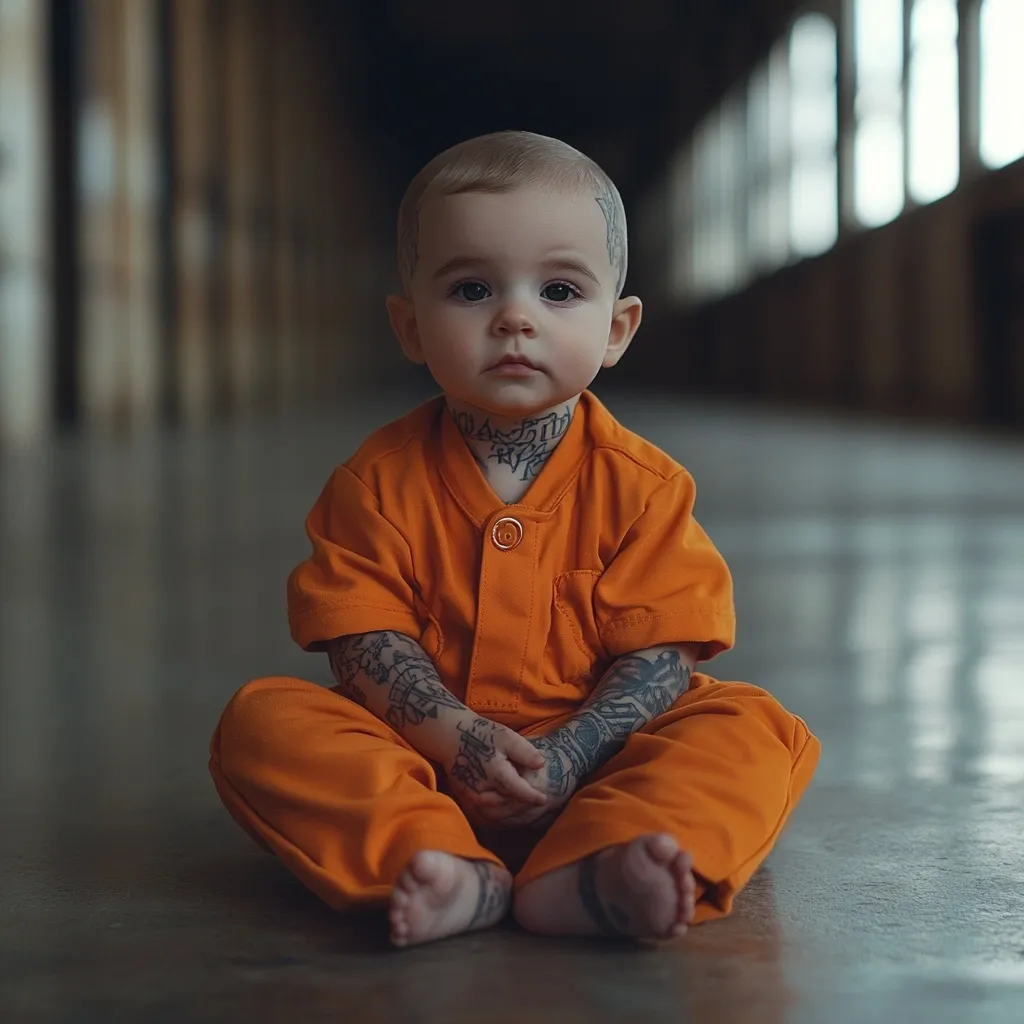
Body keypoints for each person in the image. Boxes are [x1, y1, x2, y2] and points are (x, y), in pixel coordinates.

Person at [209, 130, 820, 949]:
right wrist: (455, 740)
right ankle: (438, 860)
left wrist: (569, 756)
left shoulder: (645, 487)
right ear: (410, 327)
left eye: (560, 291)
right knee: (263, 722)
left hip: (600, 765)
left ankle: (602, 865)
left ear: (617, 328)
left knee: (753, 727)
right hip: (423, 762)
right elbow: (360, 640)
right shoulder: (376, 482)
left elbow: (663, 653)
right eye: (471, 289)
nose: (515, 318)